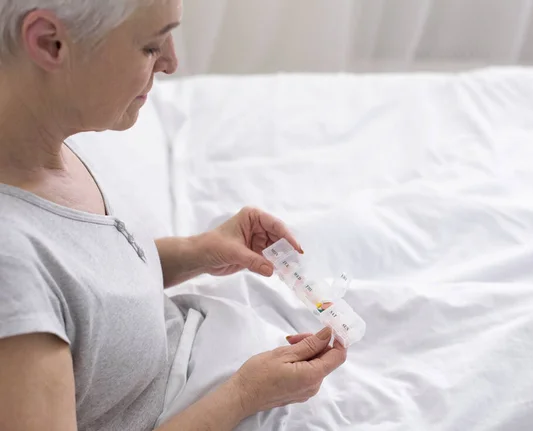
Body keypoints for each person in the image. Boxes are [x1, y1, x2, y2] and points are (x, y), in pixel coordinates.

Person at [0, 0, 347, 430]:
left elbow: (85, 296)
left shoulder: (43, 143)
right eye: (149, 46)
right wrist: (244, 395)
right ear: (50, 43)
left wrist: (198, 251)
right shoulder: (10, 274)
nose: (171, 62)